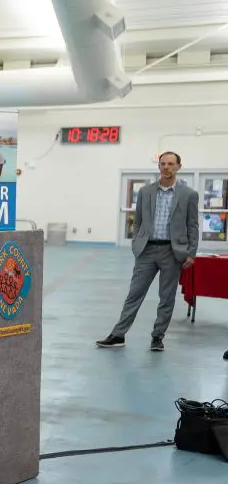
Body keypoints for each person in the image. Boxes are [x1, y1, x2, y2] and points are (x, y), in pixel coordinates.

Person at [97, 151, 198, 352]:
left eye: (170, 164)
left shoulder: (189, 195)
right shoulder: (146, 192)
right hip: (147, 251)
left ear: (179, 166)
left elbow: (192, 226)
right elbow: (139, 220)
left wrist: (191, 253)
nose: (166, 167)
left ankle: (157, 337)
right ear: (159, 166)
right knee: (134, 294)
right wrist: (137, 244)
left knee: (167, 297)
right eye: (163, 164)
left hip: (172, 251)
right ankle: (118, 335)